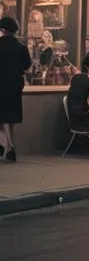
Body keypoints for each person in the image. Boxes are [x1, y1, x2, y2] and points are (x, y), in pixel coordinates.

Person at [0, 17, 32, 162]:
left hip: (2, 83)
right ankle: (7, 147)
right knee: (10, 117)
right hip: (16, 83)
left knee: (4, 116)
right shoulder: (21, 46)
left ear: (4, 30)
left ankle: (10, 146)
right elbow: (27, 64)